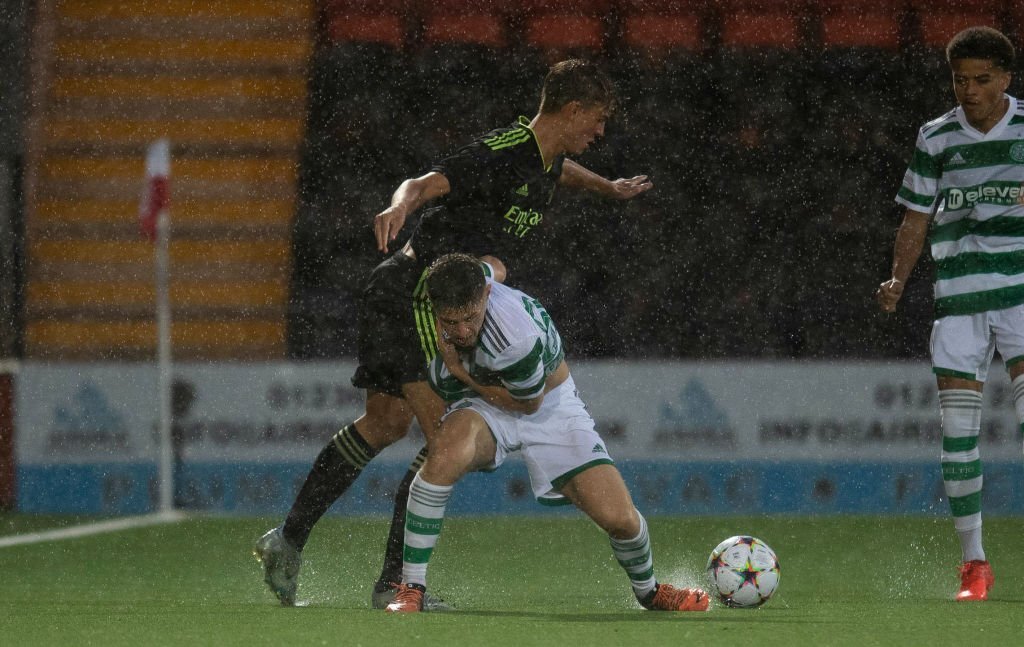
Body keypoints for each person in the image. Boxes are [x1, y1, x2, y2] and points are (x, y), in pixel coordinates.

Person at [254, 59, 654, 608]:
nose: (601, 132)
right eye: (598, 119)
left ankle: (289, 539)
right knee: (443, 439)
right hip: (416, 294)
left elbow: (557, 172)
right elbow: (424, 184)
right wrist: (399, 205)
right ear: (573, 109)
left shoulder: (544, 157)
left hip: (406, 293)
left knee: (385, 422)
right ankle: (394, 585)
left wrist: (607, 188)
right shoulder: (506, 149)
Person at [383, 253, 709, 613]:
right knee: (443, 455)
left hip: (546, 405)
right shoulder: (472, 281)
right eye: (451, 321)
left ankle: (650, 592)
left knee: (621, 520)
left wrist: (459, 374)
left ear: (487, 295)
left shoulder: (514, 338)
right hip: (487, 400)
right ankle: (411, 588)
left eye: (470, 318)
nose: (461, 331)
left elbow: (528, 405)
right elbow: (496, 265)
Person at [876, 26, 1023, 602]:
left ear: (1007, 79)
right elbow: (915, 218)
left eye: (982, 80)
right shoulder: (936, 137)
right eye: (961, 80)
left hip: (1018, 292)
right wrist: (898, 279)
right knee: (958, 436)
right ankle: (975, 565)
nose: (970, 90)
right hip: (959, 297)